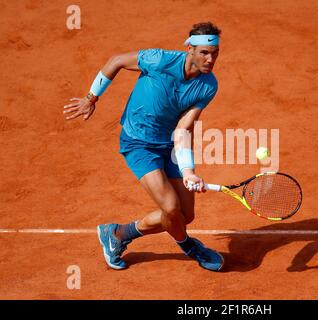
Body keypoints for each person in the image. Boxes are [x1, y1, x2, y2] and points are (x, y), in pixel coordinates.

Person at [63, 22, 224, 271]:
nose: (210, 59)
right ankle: (189, 246)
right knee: (171, 209)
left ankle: (118, 234)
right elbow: (116, 61)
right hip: (138, 143)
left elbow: (183, 129)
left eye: (215, 53)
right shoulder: (159, 60)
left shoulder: (208, 85)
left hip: (169, 143)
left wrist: (188, 170)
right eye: (204, 52)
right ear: (190, 48)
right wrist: (91, 98)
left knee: (185, 216)